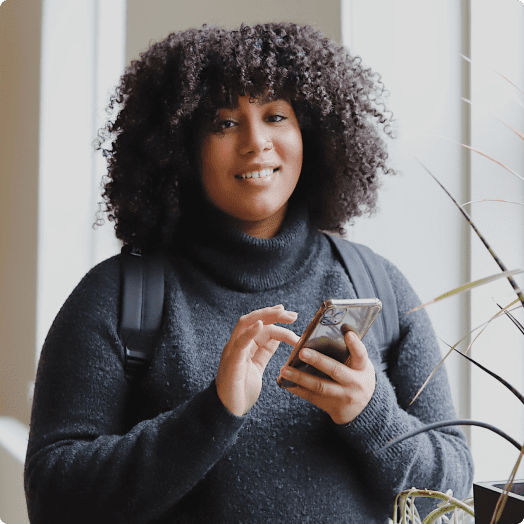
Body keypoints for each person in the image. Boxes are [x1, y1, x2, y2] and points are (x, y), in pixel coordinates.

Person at [24, 22, 473, 523]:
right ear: (180, 148)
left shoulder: (377, 284)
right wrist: (212, 413)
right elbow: (51, 497)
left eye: (275, 115)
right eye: (223, 122)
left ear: (312, 132)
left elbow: (455, 491)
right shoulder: (118, 297)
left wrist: (371, 415)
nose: (256, 142)